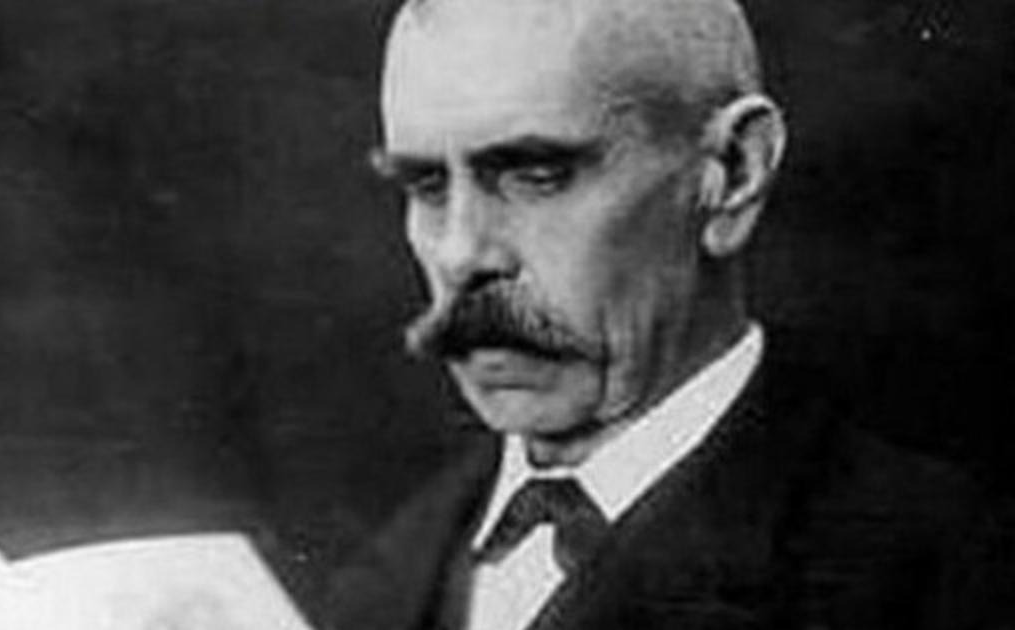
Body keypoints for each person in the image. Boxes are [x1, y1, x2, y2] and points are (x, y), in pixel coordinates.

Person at [315, 0, 1012, 628]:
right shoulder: (373, 580)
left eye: (538, 175)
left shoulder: (948, 574)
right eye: (427, 185)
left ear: (733, 173)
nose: (461, 252)